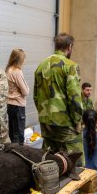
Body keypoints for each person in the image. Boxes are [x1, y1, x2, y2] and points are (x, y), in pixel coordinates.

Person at [34, 32, 84, 165]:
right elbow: (74, 98)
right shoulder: (70, 65)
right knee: (74, 162)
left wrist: (43, 115)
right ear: (69, 46)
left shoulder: (41, 65)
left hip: (46, 123)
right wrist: (78, 120)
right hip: (65, 124)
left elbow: (35, 96)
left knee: (48, 161)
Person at [6, 48, 29, 145]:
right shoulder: (17, 71)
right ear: (19, 59)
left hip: (9, 104)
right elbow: (25, 91)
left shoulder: (8, 70)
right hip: (18, 105)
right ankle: (19, 156)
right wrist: (27, 88)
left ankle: (13, 153)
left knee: (12, 132)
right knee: (19, 135)